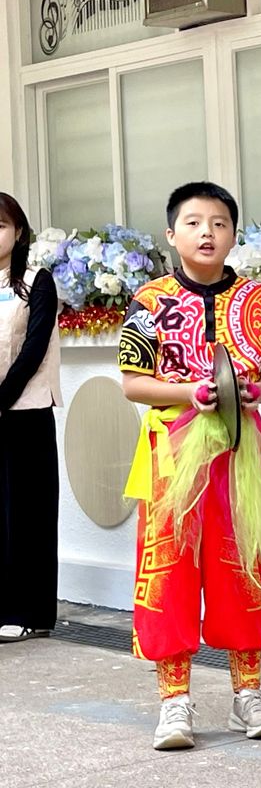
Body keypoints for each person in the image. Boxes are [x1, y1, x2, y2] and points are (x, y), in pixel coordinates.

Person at [118, 182, 261, 751]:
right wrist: (186, 392)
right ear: (172, 234)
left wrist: (254, 392)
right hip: (173, 450)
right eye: (193, 223)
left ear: (234, 234)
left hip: (239, 447)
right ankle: (174, 702)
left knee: (241, 564)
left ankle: (249, 694)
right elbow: (132, 384)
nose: (207, 233)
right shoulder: (150, 301)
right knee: (170, 569)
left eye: (218, 223)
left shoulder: (260, 300)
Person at [0, 193, 61, 644]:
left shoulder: (37, 281)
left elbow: (35, 345)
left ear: (18, 232)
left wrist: (2, 397)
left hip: (25, 410)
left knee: (28, 513)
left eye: (0, 226)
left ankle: (30, 612)